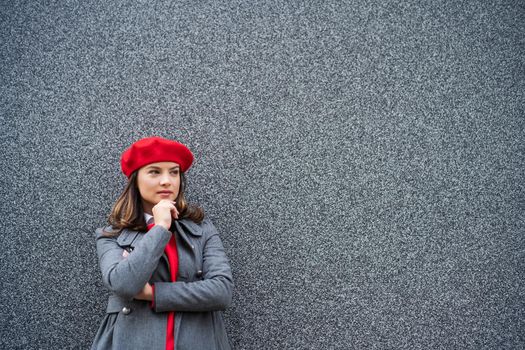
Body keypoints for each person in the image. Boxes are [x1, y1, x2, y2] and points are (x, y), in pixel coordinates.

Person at [91, 136, 234, 350]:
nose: (167, 180)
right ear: (135, 180)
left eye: (174, 172)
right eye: (154, 172)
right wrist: (159, 228)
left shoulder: (202, 230)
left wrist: (153, 294)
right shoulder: (111, 235)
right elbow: (123, 285)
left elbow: (222, 292)